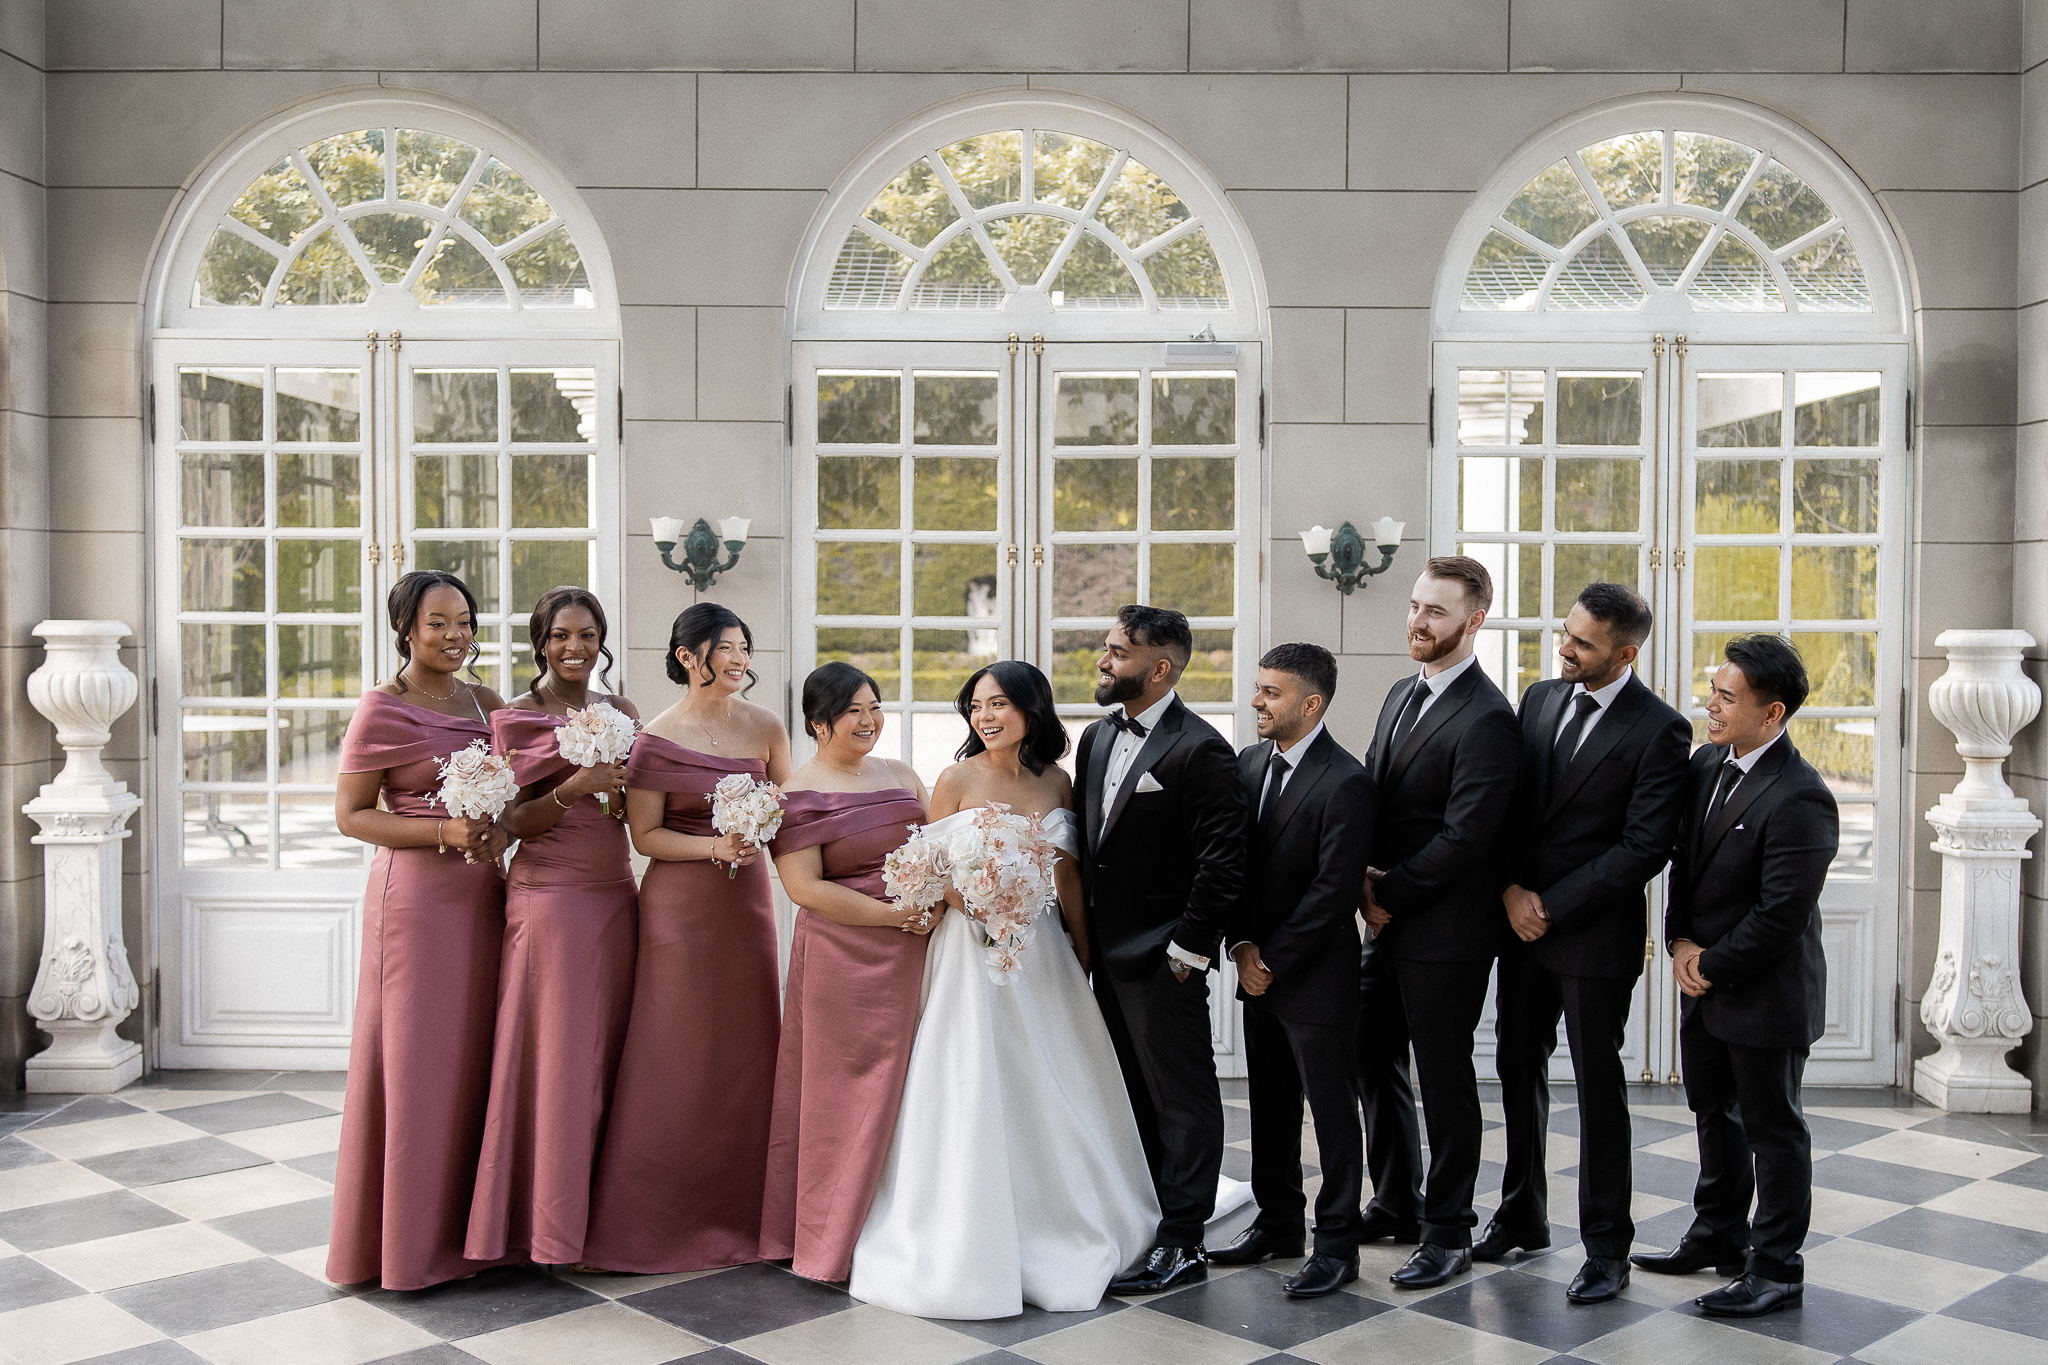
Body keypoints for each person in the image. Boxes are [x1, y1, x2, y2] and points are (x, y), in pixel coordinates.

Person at [850, 661, 1157, 1319]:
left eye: (998, 704)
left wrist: (1080, 951)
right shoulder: (955, 779)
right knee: (973, 1074)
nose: (984, 717)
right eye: (976, 706)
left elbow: (1068, 875)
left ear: (1030, 709)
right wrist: (985, 905)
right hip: (971, 950)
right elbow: (930, 870)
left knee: (1054, 1076)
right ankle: (966, 1228)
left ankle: (1066, 1211)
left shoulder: (1058, 781)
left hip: (1042, 952)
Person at [1482, 583, 1690, 1305]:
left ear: (1625, 654)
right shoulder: (1539, 698)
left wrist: (1552, 905)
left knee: (1599, 1088)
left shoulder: (1660, 729)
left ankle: (1607, 1248)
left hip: (1594, 935)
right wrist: (1511, 891)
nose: (1564, 648)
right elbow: (1510, 810)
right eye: (1565, 632)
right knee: (1515, 1066)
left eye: (1582, 643)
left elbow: (1644, 847)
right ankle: (1522, 1213)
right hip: (1520, 926)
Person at [1632, 634, 1837, 1318]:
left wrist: (1706, 965)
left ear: (1772, 712)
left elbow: (1780, 915)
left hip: (1766, 994)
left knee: (1774, 1131)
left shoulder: (1803, 796)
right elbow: (1683, 865)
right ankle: (1719, 1232)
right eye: (1712, 692)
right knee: (1712, 1111)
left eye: (1726, 697)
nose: (1711, 706)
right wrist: (1679, 941)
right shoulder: (1705, 764)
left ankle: (1776, 1267)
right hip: (1706, 981)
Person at [583, 604, 791, 1273]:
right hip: (680, 911)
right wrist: (713, 846)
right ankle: (654, 1218)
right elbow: (646, 837)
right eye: (726, 647)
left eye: (744, 647)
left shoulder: (766, 726)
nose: (739, 658)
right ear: (686, 656)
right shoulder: (655, 738)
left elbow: (791, 812)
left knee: (746, 1049)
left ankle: (753, 1214)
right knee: (673, 1052)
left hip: (746, 907)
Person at [327, 570, 515, 1290]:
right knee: (415, 1066)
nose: (454, 635)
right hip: (415, 905)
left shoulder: (488, 703)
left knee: (476, 1059)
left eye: (464, 621)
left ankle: (476, 1236)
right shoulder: (382, 707)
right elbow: (351, 815)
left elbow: (516, 795)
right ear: (406, 628)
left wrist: (499, 831)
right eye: (438, 623)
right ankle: (406, 1249)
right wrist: (443, 832)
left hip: (484, 898)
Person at [1075, 605, 1249, 1295]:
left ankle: (1183, 1240)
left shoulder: (1200, 748)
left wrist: (1186, 952)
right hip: (1100, 958)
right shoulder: (1095, 737)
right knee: (1129, 1094)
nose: (1103, 660)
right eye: (1107, 646)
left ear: (1160, 668)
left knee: (1183, 1099)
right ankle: (1145, 1221)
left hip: (1162, 959)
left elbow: (1223, 865)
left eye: (1118, 652)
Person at [467, 587, 641, 1269]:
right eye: (562, 636)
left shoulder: (622, 712)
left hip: (614, 895)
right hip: (549, 900)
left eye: (588, 635)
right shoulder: (515, 717)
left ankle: (596, 1216)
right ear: (540, 641)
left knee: (604, 1056)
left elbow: (627, 811)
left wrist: (620, 794)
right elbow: (511, 822)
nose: (575, 648)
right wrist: (574, 786)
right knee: (553, 1059)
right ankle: (540, 1226)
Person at [1361, 557, 1521, 1290]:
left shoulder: (1489, 717)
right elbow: (1373, 793)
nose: (1418, 621)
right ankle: (1397, 1199)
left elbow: (1467, 836)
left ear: (1474, 620)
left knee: (1445, 1077)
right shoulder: (1402, 692)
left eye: (1436, 611)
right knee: (1372, 1055)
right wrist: (1360, 884)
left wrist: (1387, 890)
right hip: (1385, 922)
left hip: (1447, 930)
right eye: (1415, 605)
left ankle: (1449, 1229)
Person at [759, 664, 933, 1283]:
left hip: (918, 949)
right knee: (842, 1094)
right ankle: (831, 1237)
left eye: (875, 706)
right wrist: (893, 916)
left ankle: (904, 1227)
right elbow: (804, 889)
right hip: (844, 956)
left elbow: (936, 852)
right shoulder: (795, 794)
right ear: (818, 723)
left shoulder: (903, 776)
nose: (869, 721)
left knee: (919, 1083)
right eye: (853, 710)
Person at [1211, 644, 1374, 1299]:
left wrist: (1271, 960)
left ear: (1311, 703)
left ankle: (1336, 1245)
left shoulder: (1347, 780)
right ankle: (1278, 1222)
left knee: (1332, 1115)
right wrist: (1241, 945)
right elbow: (1230, 864)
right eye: (1258, 688)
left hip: (1315, 976)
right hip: (1255, 965)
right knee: (1271, 1106)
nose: (1257, 701)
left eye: (1271, 692)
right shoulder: (1248, 763)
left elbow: (1334, 891)